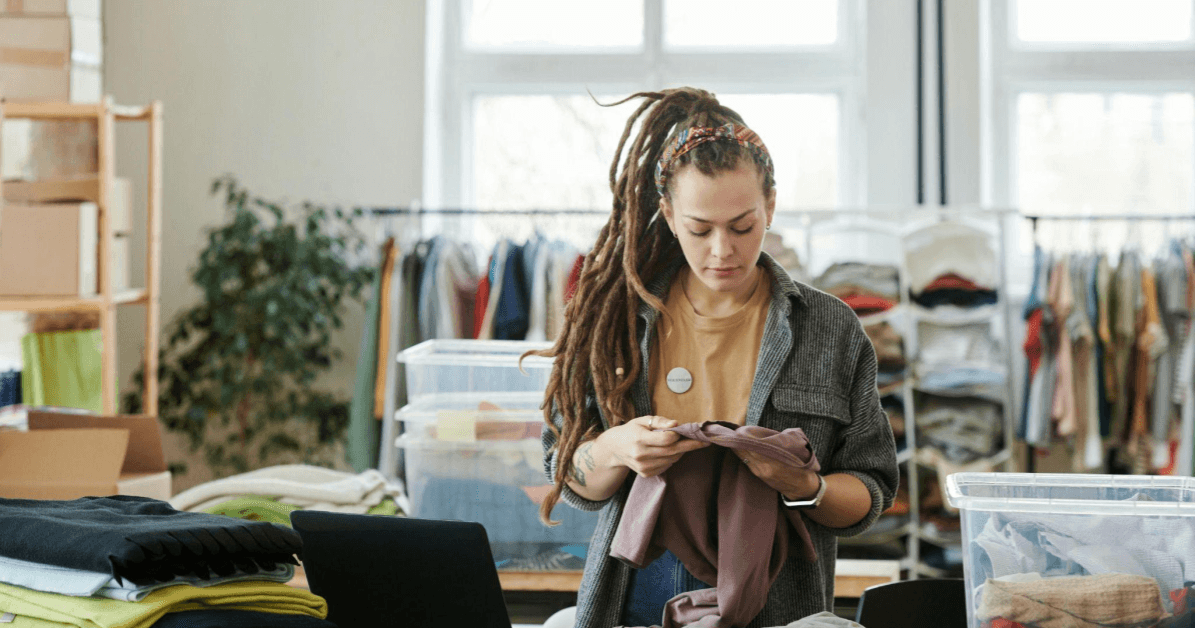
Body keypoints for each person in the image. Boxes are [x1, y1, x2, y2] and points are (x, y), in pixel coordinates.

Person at [533, 87, 899, 628]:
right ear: (668, 214)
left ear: (770, 205)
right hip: (638, 586)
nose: (722, 250)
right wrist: (615, 449)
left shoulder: (829, 328)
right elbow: (567, 474)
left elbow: (870, 494)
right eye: (700, 229)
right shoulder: (617, 319)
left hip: (777, 597)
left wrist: (806, 487)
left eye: (743, 226)